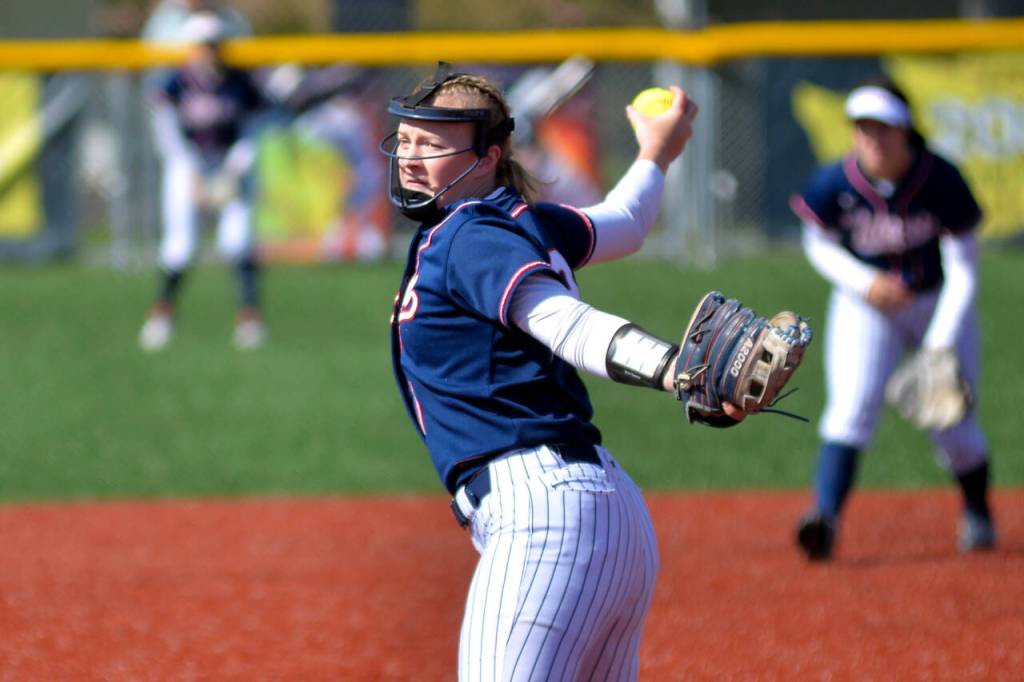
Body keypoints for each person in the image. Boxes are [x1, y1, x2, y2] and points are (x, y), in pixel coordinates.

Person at [383, 64, 745, 681]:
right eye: (407, 140)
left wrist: (676, 369)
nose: (411, 158)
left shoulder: (467, 234)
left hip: (541, 517)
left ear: (488, 156)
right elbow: (626, 222)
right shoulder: (526, 221)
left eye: (434, 144)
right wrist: (657, 153)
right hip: (608, 516)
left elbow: (564, 323)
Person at [790, 76, 995, 560]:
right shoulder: (835, 182)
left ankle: (978, 513)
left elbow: (964, 269)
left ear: (906, 131)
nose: (872, 139)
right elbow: (816, 243)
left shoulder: (940, 179)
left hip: (936, 303)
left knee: (951, 422)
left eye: (882, 128)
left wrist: (940, 343)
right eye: (862, 128)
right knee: (851, 406)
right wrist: (864, 283)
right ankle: (825, 517)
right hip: (867, 307)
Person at [138, 11, 269, 351]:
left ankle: (250, 319)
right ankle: (161, 315)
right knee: (180, 247)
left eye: (213, 45)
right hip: (187, 165)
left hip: (229, 163)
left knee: (238, 241)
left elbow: (254, 128)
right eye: (201, 45)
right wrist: (192, 171)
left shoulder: (240, 82)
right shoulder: (175, 83)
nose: (208, 52)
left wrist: (234, 168)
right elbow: (167, 134)